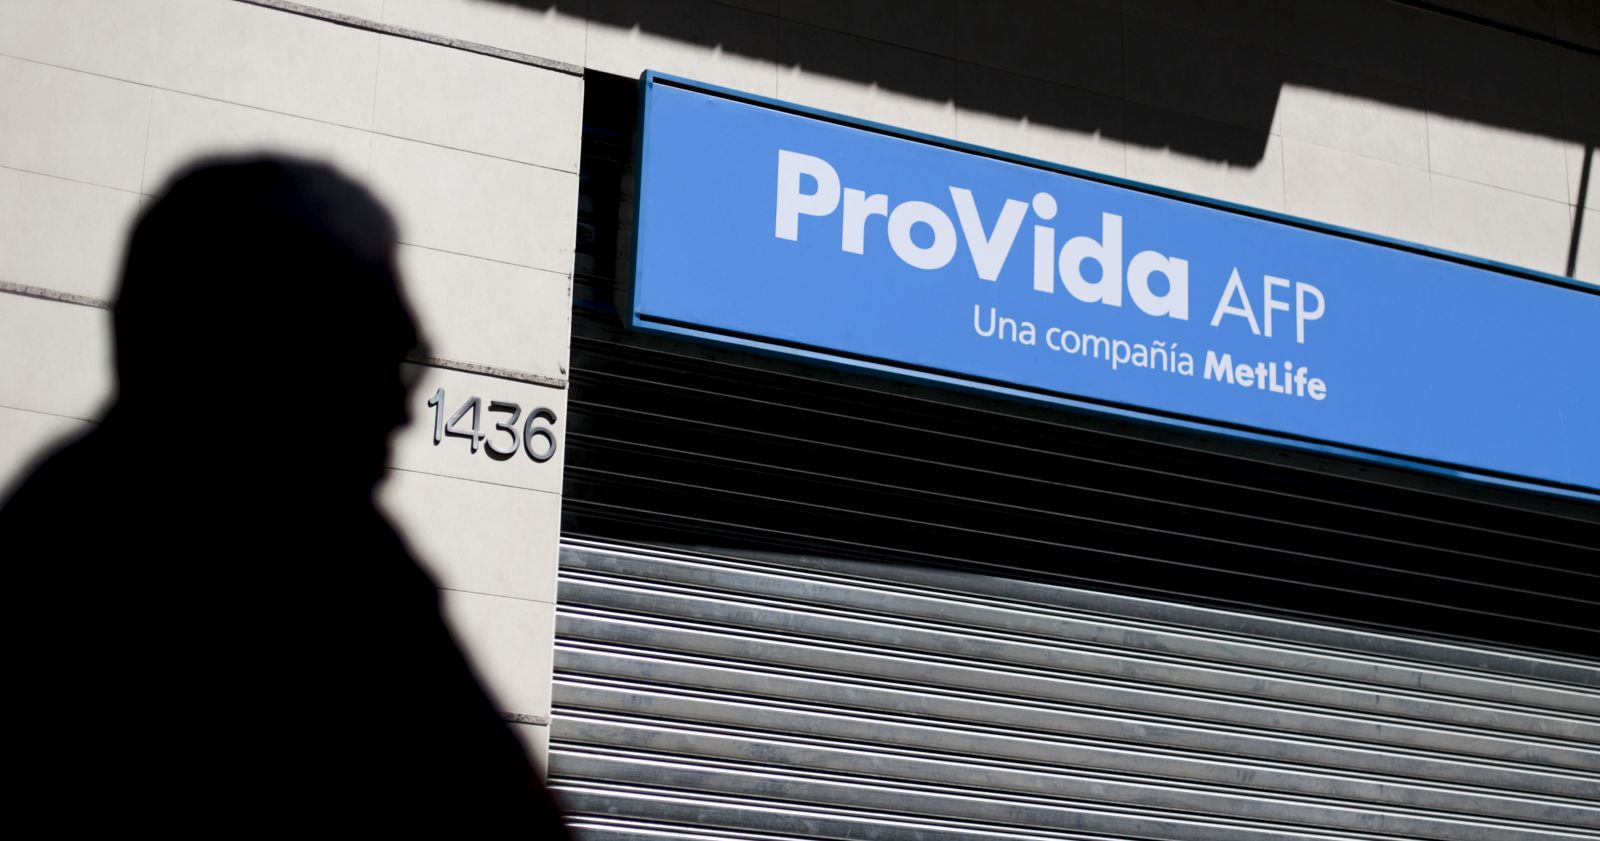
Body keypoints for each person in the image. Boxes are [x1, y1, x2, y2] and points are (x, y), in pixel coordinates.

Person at [1, 157, 571, 832]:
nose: (402, 411)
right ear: (260, 356)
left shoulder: (333, 545)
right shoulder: (317, 560)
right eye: (382, 362)